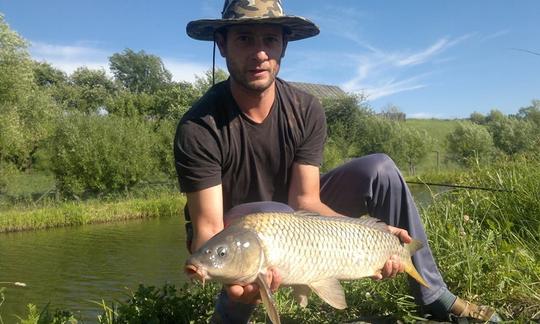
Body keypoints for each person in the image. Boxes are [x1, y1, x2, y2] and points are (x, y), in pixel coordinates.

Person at [174, 0, 500, 323]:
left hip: (295, 220)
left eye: (270, 39)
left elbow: (305, 200)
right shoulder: (198, 127)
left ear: (284, 46)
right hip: (240, 228)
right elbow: (209, 228)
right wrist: (224, 271)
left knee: (380, 169)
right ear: (222, 44)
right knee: (242, 264)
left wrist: (369, 233)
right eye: (244, 39)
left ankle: (434, 294)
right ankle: (231, 311)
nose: (259, 53)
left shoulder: (305, 109)